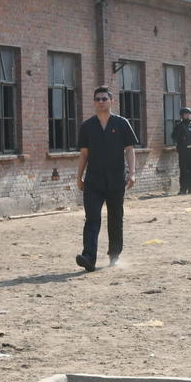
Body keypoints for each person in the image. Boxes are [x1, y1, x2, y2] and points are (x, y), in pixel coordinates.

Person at [75, 85, 137, 272]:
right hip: (93, 180)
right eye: (97, 99)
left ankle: (114, 254)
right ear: (94, 102)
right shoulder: (87, 126)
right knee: (92, 218)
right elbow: (84, 154)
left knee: (115, 217)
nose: (101, 102)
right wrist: (79, 177)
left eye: (104, 99)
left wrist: (132, 173)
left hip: (116, 179)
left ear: (112, 101)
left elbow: (130, 150)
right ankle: (89, 257)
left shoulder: (121, 123)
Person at [171, 106, 191, 194]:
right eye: (185, 114)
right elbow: (173, 136)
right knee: (183, 170)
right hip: (183, 150)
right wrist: (180, 135)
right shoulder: (179, 126)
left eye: (189, 114)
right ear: (182, 115)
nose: (187, 116)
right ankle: (183, 189)